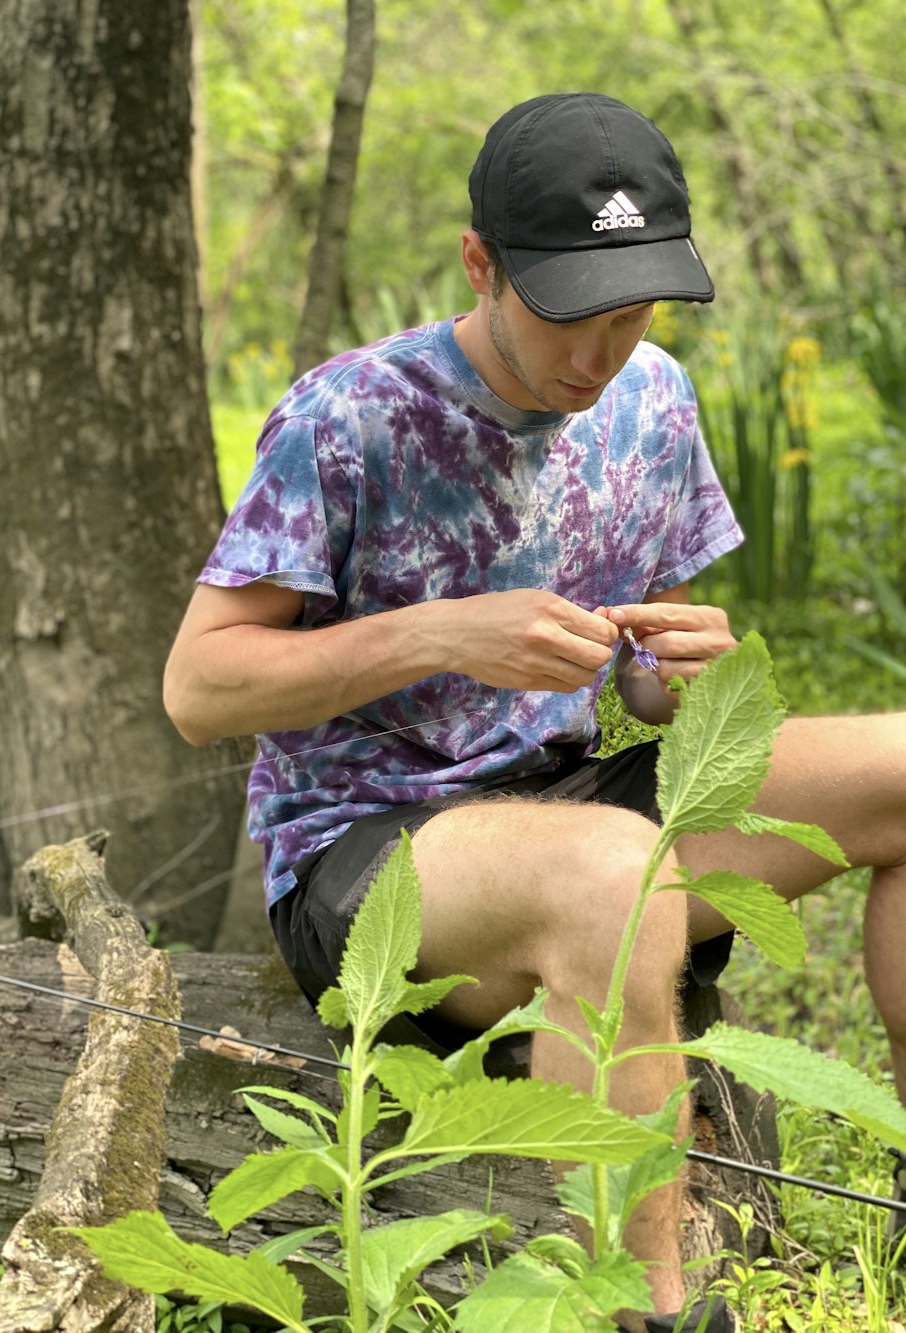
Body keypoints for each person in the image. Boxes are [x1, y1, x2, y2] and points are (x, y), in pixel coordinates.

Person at [164, 93, 906, 1333]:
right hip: (372, 861)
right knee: (613, 877)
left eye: (629, 316)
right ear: (481, 265)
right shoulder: (347, 415)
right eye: (570, 314)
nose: (597, 355)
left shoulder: (653, 398)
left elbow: (656, 689)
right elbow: (199, 689)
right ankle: (646, 1310)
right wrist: (437, 634)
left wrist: (675, 668)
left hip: (573, 797)